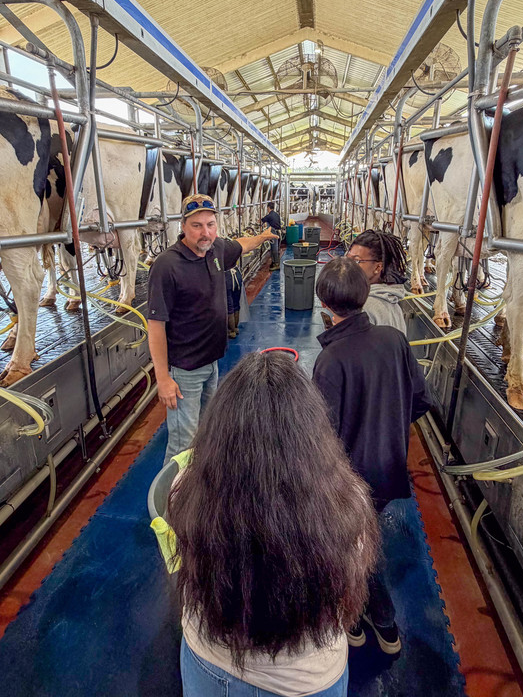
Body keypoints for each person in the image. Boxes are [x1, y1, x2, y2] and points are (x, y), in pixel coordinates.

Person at [169, 351, 379, 697]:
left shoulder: (185, 490)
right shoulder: (350, 503)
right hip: (310, 680)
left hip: (214, 667)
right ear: (312, 431)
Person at [311, 257, 430, 655]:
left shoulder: (331, 361)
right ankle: (360, 620)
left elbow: (322, 437)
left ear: (324, 304)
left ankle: (381, 623)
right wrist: (388, 430)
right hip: (389, 463)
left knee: (356, 549)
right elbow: (419, 400)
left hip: (351, 478)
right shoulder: (393, 340)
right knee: (361, 541)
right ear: (365, 296)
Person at [148, 193, 275, 465]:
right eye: (197, 225)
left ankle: (199, 486)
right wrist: (163, 379)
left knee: (206, 431)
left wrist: (263, 237)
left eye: (210, 224)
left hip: (212, 362)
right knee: (183, 443)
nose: (205, 232)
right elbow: (156, 326)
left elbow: (240, 244)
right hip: (184, 370)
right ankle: (173, 503)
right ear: (183, 226)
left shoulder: (216, 249)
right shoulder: (167, 266)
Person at [346, 230, 409, 334]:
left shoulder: (364, 309)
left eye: (357, 261)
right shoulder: (392, 302)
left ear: (378, 267)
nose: (348, 266)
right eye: (347, 260)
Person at [261, 201, 283, 271]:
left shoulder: (269, 215)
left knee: (274, 249)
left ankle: (276, 264)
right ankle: (275, 262)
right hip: (279, 232)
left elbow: (261, 221)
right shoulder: (276, 214)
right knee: (276, 248)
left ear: (268, 208)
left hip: (274, 233)